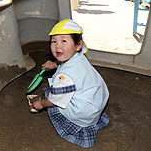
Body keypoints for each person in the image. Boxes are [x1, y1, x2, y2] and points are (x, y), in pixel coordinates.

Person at [32, 19, 109, 148]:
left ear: (78, 45)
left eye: (63, 41)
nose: (57, 46)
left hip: (83, 113)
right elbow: (67, 62)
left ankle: (75, 123)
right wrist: (55, 64)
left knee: (52, 101)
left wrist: (41, 103)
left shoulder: (64, 77)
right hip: (95, 100)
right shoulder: (79, 56)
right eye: (54, 41)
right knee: (57, 90)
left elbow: (54, 101)